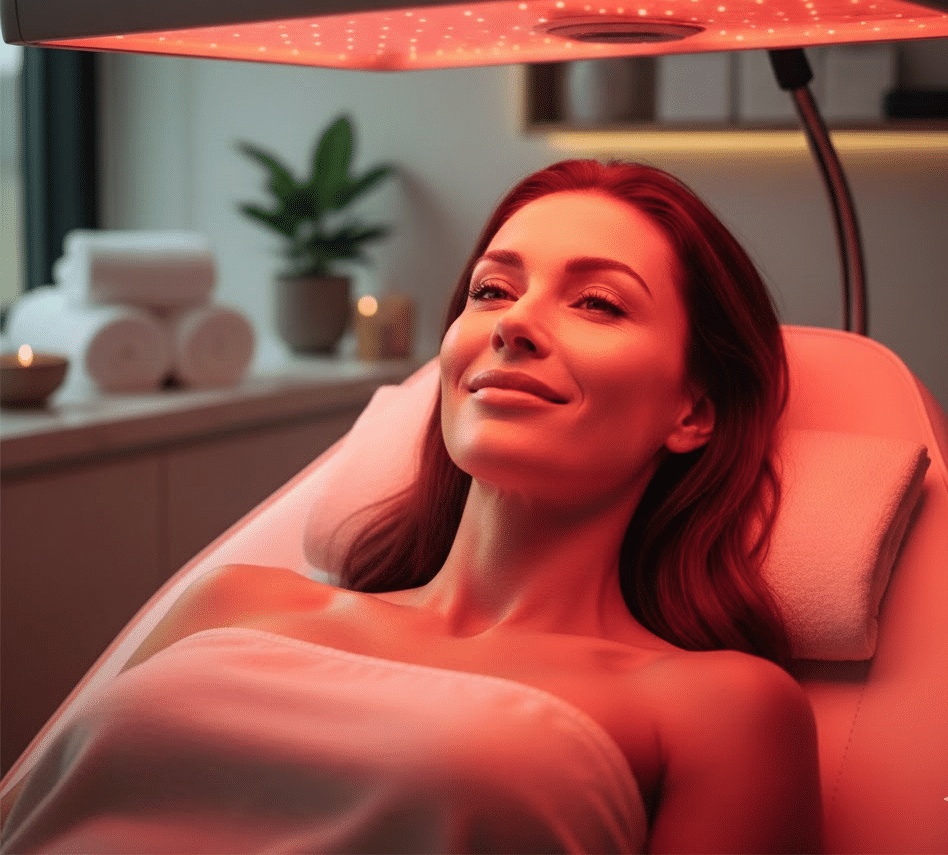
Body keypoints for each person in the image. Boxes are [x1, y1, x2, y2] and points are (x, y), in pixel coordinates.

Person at [1, 160, 822, 854]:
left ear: (694, 411)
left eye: (598, 303)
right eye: (492, 290)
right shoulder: (235, 601)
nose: (514, 326)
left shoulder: (718, 709)